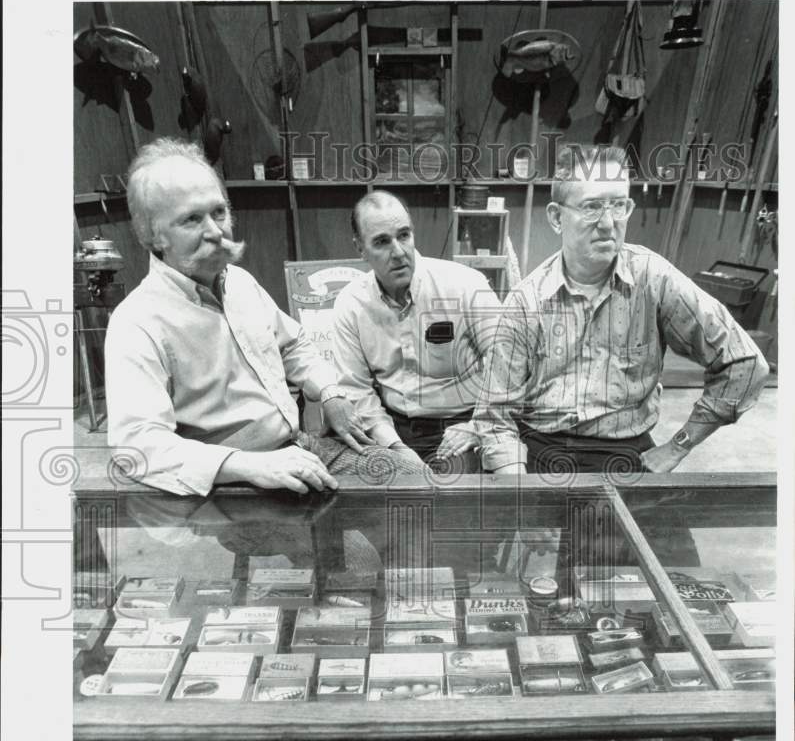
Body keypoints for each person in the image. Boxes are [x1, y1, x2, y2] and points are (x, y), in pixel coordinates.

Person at [105, 138, 424, 497]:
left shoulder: (240, 283)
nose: (215, 231)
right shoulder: (137, 322)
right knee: (365, 549)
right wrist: (250, 465)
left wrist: (330, 392)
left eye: (219, 212)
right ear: (152, 235)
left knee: (414, 477)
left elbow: (294, 345)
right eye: (192, 219)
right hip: (236, 486)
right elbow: (136, 445)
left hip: (297, 448)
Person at [474, 144, 770, 476]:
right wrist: (521, 494)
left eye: (618, 205)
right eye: (592, 207)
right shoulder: (526, 301)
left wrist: (678, 446)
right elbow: (495, 414)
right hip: (543, 449)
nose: (608, 222)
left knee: (654, 528)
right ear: (557, 217)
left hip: (627, 452)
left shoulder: (653, 280)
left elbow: (744, 363)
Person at [332, 190, 502, 469]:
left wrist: (478, 424)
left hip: (459, 426)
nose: (398, 252)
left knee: (444, 497)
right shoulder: (350, 304)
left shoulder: (464, 285)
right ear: (360, 248)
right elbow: (356, 390)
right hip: (390, 428)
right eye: (382, 242)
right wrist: (396, 447)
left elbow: (509, 363)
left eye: (403, 236)